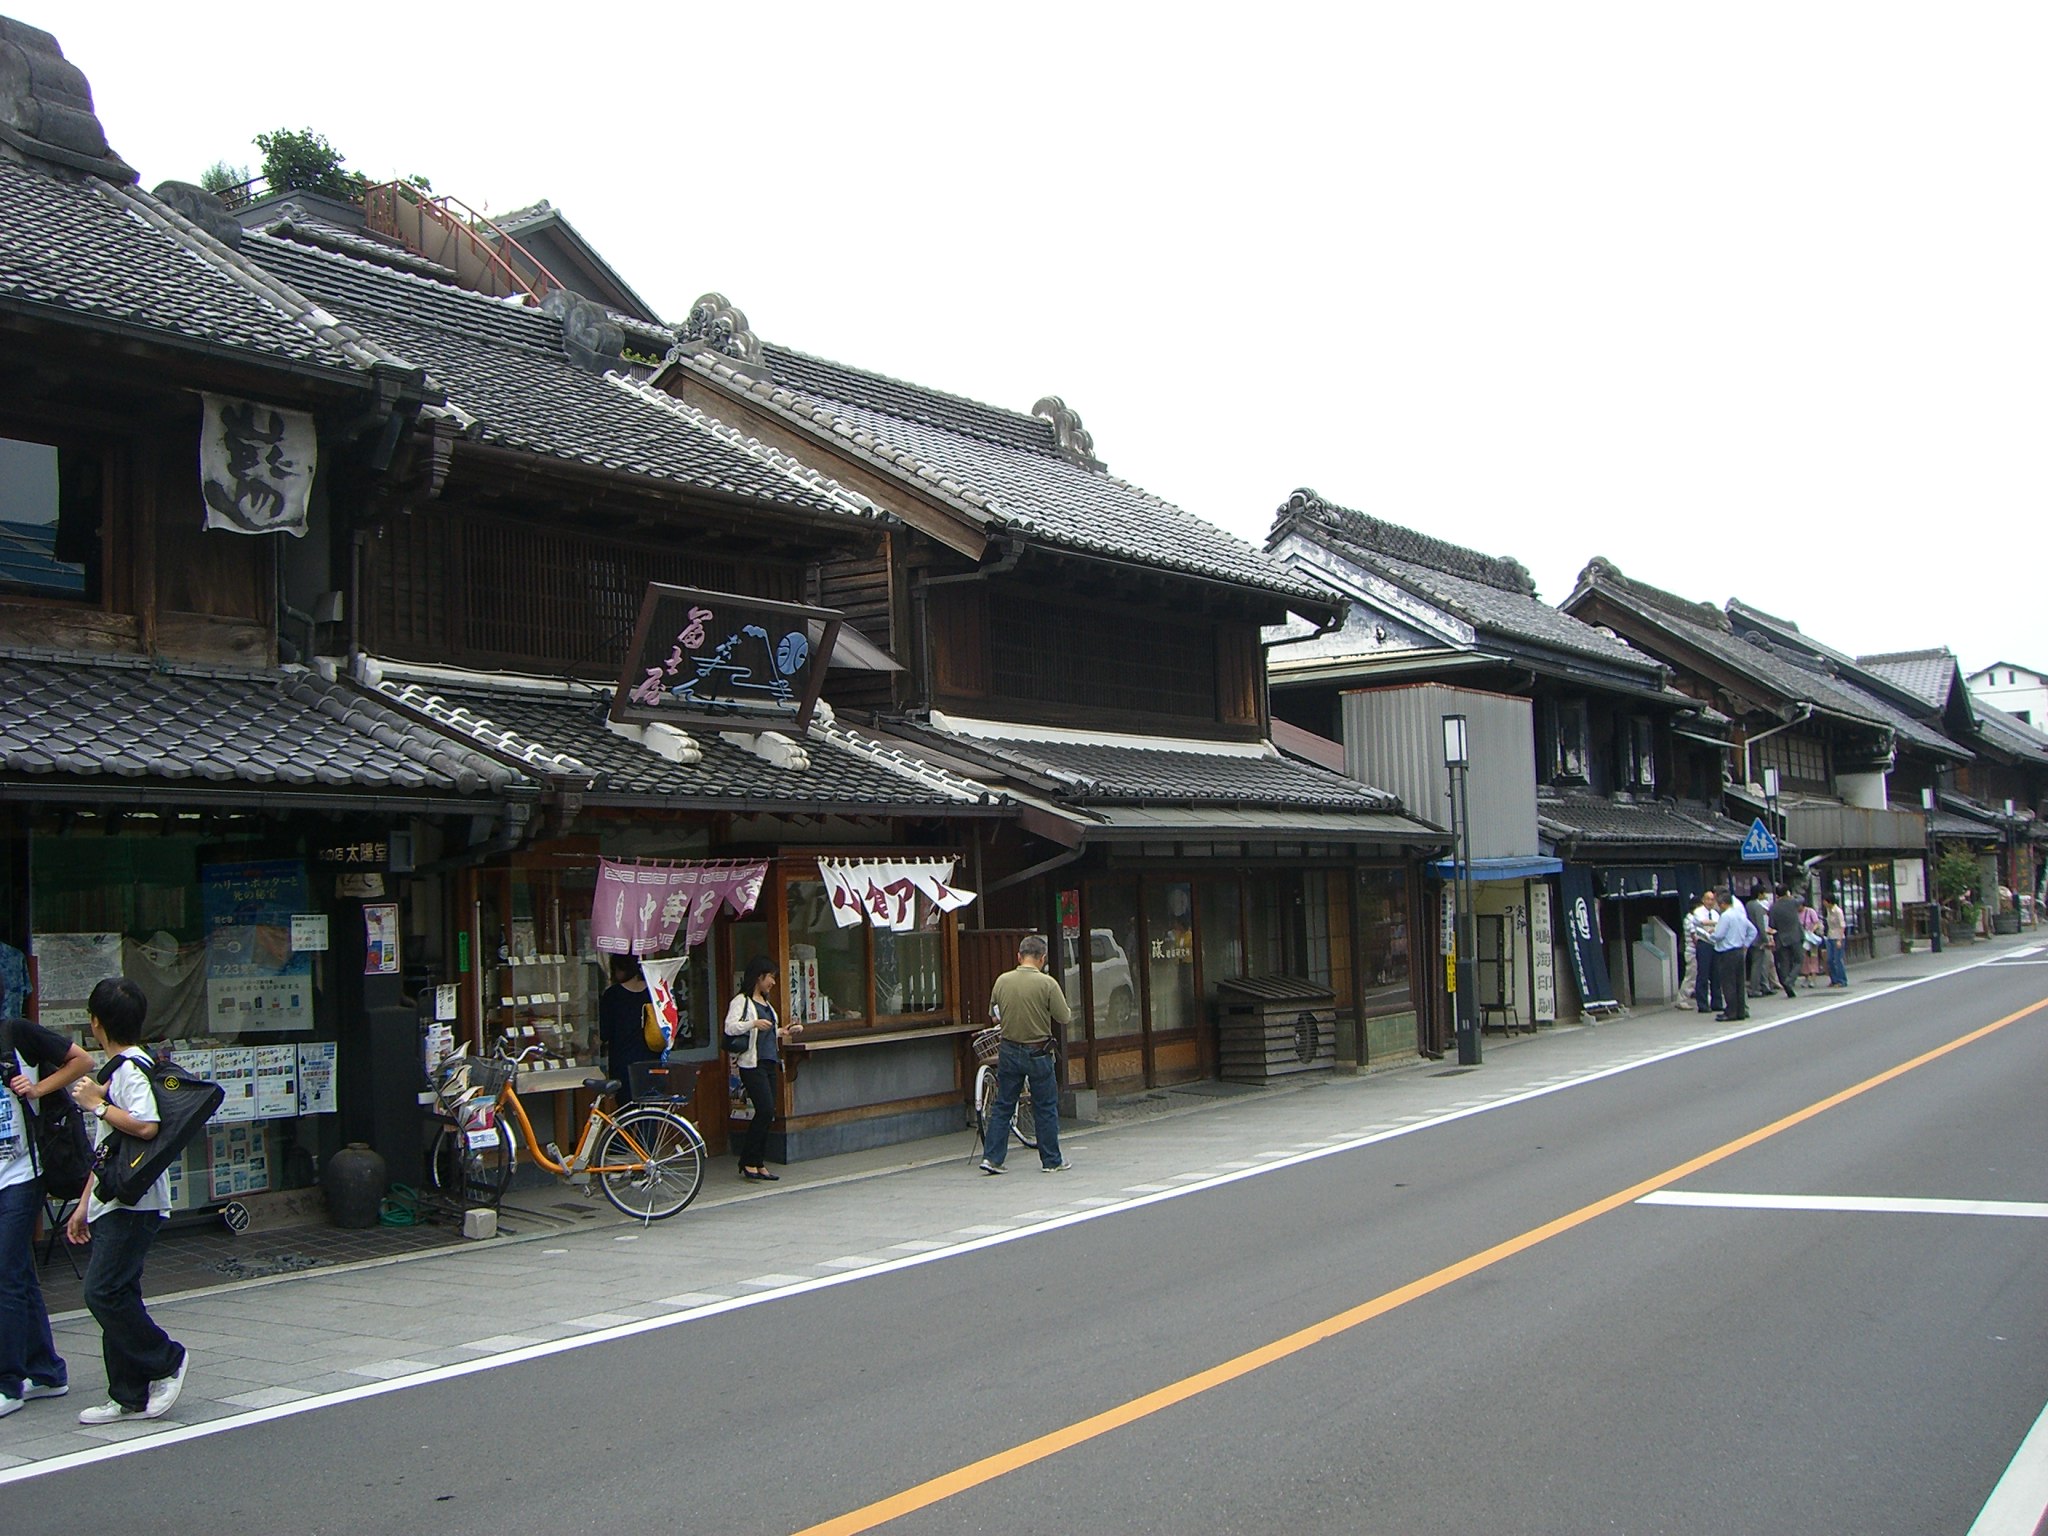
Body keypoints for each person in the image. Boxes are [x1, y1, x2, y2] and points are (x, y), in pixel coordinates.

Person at [64, 978, 188, 1425]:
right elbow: (108, 1149)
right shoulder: (120, 1066)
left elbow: (146, 1126)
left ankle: (167, 1359)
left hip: (133, 1204)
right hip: (114, 1200)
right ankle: (127, 1394)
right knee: (118, 1292)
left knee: (102, 1292)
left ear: (96, 1024)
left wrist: (96, 1104)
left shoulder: (129, 1069)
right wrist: (84, 1205)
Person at [0, 1015, 93, 1418]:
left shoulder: (16, 1032)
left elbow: (82, 1061)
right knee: (18, 1273)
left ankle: (8, 1382)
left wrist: (37, 1088)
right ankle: (47, 1372)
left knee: (5, 1274)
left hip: (21, 1173)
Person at [979, 934, 1073, 1174]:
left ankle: (992, 1158)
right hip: (1038, 1051)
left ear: (1019, 957)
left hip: (1009, 1049)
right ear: (1042, 959)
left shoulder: (1002, 981)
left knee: (1003, 1105)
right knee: (1045, 1106)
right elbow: (1064, 1017)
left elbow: (995, 1016)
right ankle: (1051, 1160)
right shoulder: (1047, 984)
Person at [724, 958, 798, 1182]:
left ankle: (757, 1162)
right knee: (764, 1110)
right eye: (771, 977)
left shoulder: (766, 1003)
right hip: (751, 1064)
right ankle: (748, 1160)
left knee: (769, 1113)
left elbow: (767, 1032)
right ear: (759, 977)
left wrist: (782, 1031)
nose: (773, 982)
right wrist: (752, 1024)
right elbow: (730, 1027)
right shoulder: (742, 1001)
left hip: (769, 1061)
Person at [598, 955, 654, 1107]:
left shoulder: (612, 995)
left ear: (618, 969)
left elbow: (604, 1033)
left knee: (626, 1111)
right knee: (651, 1112)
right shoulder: (653, 992)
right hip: (652, 1060)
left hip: (623, 1063)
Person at [1711, 889, 1756, 1021]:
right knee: (1739, 982)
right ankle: (1740, 1011)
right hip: (1739, 951)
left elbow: (1719, 935)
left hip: (1727, 952)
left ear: (1723, 904)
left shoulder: (1726, 916)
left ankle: (1731, 1011)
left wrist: (1710, 935)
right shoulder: (1740, 915)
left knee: (1728, 983)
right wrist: (1745, 944)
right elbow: (1752, 931)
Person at [1684, 891, 1722, 1015]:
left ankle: (1717, 1003)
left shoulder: (1716, 913)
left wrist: (1715, 926)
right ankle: (1703, 1004)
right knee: (1703, 974)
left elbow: (1719, 926)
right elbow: (1702, 923)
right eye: (1708, 899)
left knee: (1716, 974)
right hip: (1703, 943)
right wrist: (1714, 924)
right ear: (1703, 900)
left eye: (1712, 899)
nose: (1710, 902)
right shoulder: (1698, 912)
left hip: (1715, 943)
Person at [1769, 886, 1804, 1000]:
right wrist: (1791, 895)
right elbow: (1801, 898)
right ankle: (1790, 980)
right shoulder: (1792, 902)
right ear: (1787, 892)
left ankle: (1786, 984)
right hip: (1795, 936)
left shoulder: (1774, 907)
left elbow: (1772, 925)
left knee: (1784, 963)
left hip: (1781, 938)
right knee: (1798, 960)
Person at [1746, 884, 1776, 999]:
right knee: (1757, 965)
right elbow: (1760, 925)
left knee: (1759, 963)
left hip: (1750, 938)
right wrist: (1765, 939)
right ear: (1759, 894)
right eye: (1763, 893)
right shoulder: (1757, 907)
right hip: (1758, 939)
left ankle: (1764, 986)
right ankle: (1754, 989)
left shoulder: (1748, 905)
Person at [1823, 896, 1849, 987]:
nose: (1824, 903)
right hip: (1830, 937)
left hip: (1838, 937)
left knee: (1838, 960)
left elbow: (1842, 926)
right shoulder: (1828, 911)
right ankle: (1834, 979)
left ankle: (1842, 980)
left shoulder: (1838, 911)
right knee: (1829, 959)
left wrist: (1839, 940)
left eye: (1825, 901)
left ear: (1829, 902)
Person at [1799, 899, 1824, 986]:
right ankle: (1806, 977)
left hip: (1811, 938)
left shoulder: (1810, 911)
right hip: (1802, 937)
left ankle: (1813, 978)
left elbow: (1817, 923)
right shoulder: (1795, 913)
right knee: (1804, 958)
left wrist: (1812, 930)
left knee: (1813, 957)